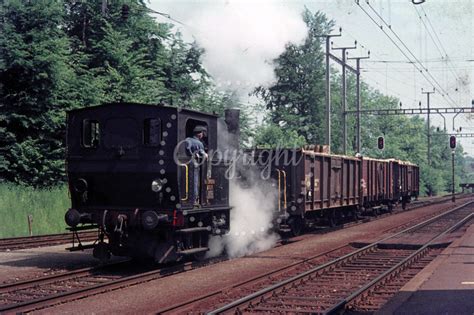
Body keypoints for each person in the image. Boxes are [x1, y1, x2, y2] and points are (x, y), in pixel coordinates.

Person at [185, 126, 208, 206]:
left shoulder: (187, 140)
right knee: (195, 181)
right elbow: (203, 155)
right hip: (195, 164)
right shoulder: (199, 143)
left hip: (185, 164)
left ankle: (189, 198)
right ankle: (195, 199)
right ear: (200, 134)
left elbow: (187, 149)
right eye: (202, 133)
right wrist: (206, 155)